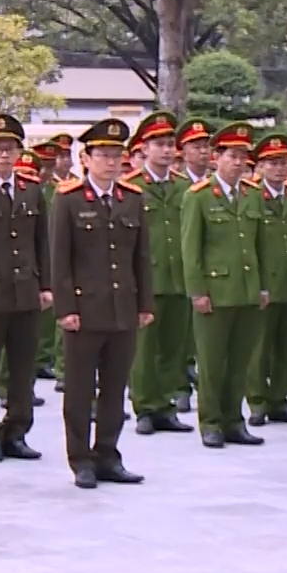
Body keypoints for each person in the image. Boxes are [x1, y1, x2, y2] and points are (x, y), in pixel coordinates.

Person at [48, 118, 151, 488]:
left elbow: (141, 256)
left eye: (116, 155)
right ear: (85, 158)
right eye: (103, 155)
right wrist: (65, 309)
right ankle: (81, 459)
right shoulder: (69, 199)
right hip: (84, 310)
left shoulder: (132, 198)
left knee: (114, 388)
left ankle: (108, 453)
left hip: (122, 307)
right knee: (79, 390)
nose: (111, 162)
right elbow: (59, 260)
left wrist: (144, 303)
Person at [181, 121, 266, 448]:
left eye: (243, 155)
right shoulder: (199, 196)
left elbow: (262, 245)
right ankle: (211, 422)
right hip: (216, 292)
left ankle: (234, 419)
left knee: (240, 360)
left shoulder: (252, 194)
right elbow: (191, 249)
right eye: (232, 155)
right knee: (213, 362)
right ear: (216, 158)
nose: (238, 162)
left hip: (247, 290)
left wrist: (262, 286)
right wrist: (197, 291)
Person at [0, 112, 49, 463]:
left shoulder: (32, 190)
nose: (4, 155)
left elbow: (41, 241)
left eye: (10, 148)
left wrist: (45, 284)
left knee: (22, 366)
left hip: (25, 289)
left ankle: (17, 430)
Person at [128, 111, 192, 434]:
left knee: (173, 347)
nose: (166, 151)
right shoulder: (132, 187)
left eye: (170, 145)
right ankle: (144, 407)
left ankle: (166, 405)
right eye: (159, 145)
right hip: (146, 280)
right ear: (144, 149)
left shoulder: (185, 187)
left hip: (178, 277)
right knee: (143, 349)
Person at [249, 134, 287, 426]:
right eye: (272, 163)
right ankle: (257, 401)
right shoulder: (252, 195)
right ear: (260, 167)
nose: (280, 169)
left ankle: (279, 399)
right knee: (260, 349)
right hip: (265, 283)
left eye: (284, 163)